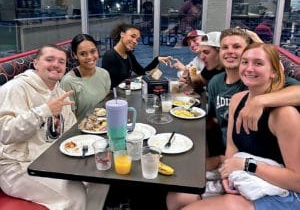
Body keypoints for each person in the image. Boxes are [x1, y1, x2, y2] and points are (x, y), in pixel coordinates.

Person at [166, 28, 300, 210]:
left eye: (258, 63)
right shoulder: (237, 100)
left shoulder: (284, 113)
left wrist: (246, 165)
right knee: (176, 198)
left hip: (279, 192)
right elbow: (231, 147)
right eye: (245, 62)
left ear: (274, 72)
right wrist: (227, 176)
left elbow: (297, 181)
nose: (249, 68)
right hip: (241, 175)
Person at [0, 44, 109, 210]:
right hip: (17, 166)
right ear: (36, 63)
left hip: (49, 158)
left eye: (61, 61)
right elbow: (5, 133)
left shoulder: (58, 91)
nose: (56, 65)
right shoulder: (15, 88)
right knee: (75, 194)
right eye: (49, 59)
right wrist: (45, 111)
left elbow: (70, 129)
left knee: (101, 179)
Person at [102, 23, 170, 89]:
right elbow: (111, 85)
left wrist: (157, 59)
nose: (135, 41)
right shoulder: (110, 56)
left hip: (125, 94)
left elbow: (142, 72)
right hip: (115, 98)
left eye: (137, 39)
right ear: (122, 34)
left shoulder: (129, 55)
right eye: (132, 36)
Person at [61, 34, 111, 121]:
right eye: (83, 54)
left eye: (93, 51)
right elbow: (69, 119)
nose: (90, 57)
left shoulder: (104, 74)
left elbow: (104, 105)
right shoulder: (68, 82)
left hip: (103, 125)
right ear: (75, 55)